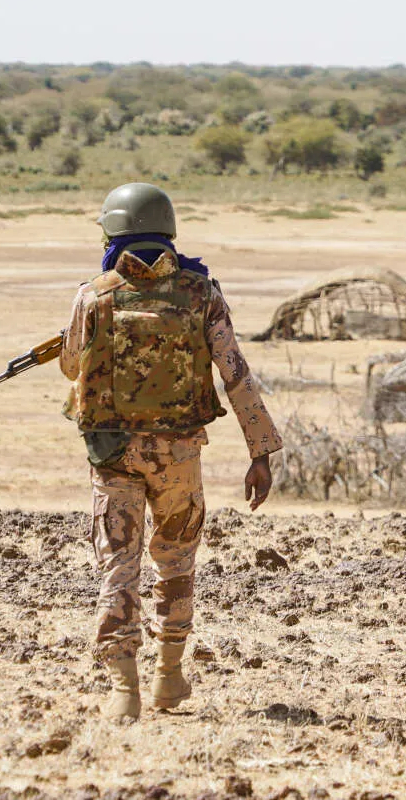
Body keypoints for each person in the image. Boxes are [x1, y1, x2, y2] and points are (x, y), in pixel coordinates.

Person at [60, 182, 282, 720]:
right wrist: (261, 452)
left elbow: (72, 367)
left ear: (111, 231)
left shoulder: (94, 295)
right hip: (181, 454)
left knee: (119, 568)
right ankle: (169, 676)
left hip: (112, 454)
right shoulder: (201, 293)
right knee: (176, 564)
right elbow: (236, 375)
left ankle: (123, 691)